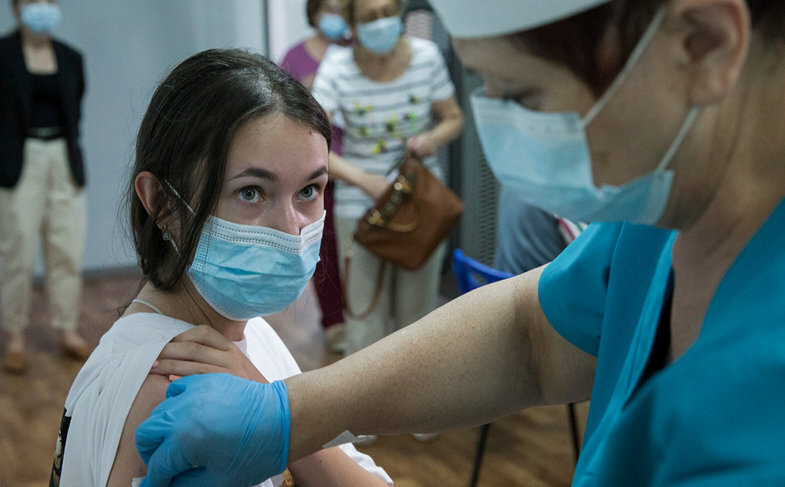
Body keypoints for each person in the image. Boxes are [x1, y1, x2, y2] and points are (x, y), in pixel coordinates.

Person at [136, 0, 785, 485]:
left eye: (523, 94)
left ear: (703, 43)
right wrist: (289, 413)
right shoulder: (655, 223)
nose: (500, 137)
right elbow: (528, 334)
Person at [49, 48, 392, 487]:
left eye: (309, 190)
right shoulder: (172, 386)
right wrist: (281, 415)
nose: (291, 230)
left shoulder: (242, 332)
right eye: (251, 193)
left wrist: (275, 410)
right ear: (162, 203)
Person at [311, 0, 464, 361]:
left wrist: (432, 139)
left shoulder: (426, 56)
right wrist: (363, 180)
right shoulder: (337, 65)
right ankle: (368, 397)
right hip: (359, 207)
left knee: (418, 318)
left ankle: (414, 393)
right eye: (369, 17)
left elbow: (453, 118)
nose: (380, 23)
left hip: (421, 201)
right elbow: (313, 143)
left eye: (387, 13)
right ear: (352, 26)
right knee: (365, 321)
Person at [0, 0, 90, 374]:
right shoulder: (3, 54)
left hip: (63, 159)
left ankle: (67, 329)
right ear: (16, 9)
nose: (41, 7)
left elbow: (75, 111)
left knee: (67, 249)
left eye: (48, 0)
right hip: (20, 160)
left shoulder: (71, 57)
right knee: (17, 252)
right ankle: (14, 337)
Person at [279, 0, 351, 352]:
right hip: (317, 170)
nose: (336, 16)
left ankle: (363, 316)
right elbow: (280, 114)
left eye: (342, 8)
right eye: (329, 8)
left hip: (359, 168)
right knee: (325, 249)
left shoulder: (357, 52)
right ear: (315, 12)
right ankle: (334, 320)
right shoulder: (295, 57)